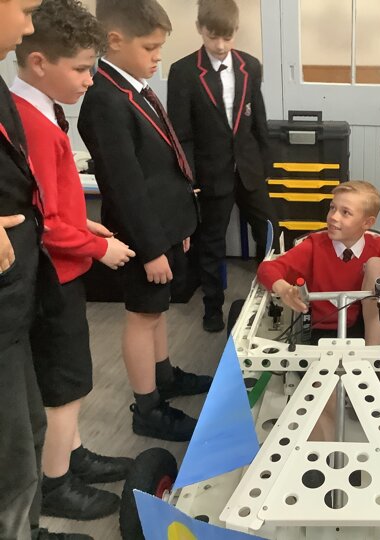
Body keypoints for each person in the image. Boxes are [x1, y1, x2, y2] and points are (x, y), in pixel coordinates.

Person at [12, 0, 137, 522]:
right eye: (82, 69)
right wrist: (97, 247)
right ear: (40, 63)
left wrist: (84, 224)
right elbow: (42, 223)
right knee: (65, 385)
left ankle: (73, 455)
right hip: (52, 274)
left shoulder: (43, 110)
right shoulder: (33, 123)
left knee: (71, 379)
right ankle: (57, 482)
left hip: (64, 265)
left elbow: (47, 201)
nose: (90, 80)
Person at [78, 0, 211, 442]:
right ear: (114, 41)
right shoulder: (105, 100)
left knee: (157, 312)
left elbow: (163, 168)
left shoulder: (135, 90)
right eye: (150, 48)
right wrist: (152, 248)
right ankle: (147, 407)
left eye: (160, 48)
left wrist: (181, 228)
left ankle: (164, 376)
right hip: (141, 235)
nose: (158, 57)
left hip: (163, 227)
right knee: (141, 316)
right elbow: (126, 186)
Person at [0, 1, 83, 538]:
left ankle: (30, 526)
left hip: (20, 292)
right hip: (22, 286)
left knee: (29, 426)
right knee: (12, 456)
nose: (28, 24)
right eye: (25, 9)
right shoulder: (28, 113)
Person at [257, 181, 380, 439]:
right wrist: (284, 289)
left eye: (345, 212)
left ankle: (369, 365)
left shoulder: (377, 246)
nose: (333, 217)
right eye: (332, 208)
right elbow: (268, 268)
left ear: (367, 222)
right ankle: (322, 454)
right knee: (324, 398)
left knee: (379, 265)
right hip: (323, 334)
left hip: (366, 330)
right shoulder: (314, 245)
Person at [168, 0, 277, 333]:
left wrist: (266, 164)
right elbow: (181, 134)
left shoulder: (250, 66)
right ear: (200, 29)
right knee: (212, 242)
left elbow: (258, 118)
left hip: (249, 168)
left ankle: (270, 298)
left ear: (236, 31)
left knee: (270, 232)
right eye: (213, 36)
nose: (219, 45)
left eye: (226, 37)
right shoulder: (183, 72)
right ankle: (212, 307)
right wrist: (190, 178)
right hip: (210, 173)